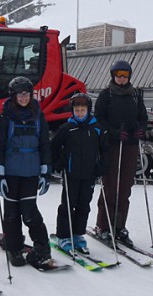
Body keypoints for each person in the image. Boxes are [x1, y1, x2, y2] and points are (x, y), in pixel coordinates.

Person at [0, 76, 54, 268]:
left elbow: (44, 144)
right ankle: (14, 248)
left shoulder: (38, 116)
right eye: (20, 94)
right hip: (11, 172)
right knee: (11, 214)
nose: (24, 97)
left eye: (26, 93)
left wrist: (45, 171)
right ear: (13, 95)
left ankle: (42, 249)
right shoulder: (4, 118)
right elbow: (0, 147)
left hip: (30, 172)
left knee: (30, 213)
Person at [93, 60, 148, 247]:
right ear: (113, 75)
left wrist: (141, 129)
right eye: (119, 75)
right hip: (113, 145)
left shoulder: (135, 95)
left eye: (125, 75)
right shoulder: (106, 95)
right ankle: (103, 226)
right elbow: (98, 119)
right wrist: (112, 132)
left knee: (125, 188)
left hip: (130, 145)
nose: (122, 78)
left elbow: (143, 118)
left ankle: (119, 227)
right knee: (110, 187)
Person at [51, 93, 109, 253]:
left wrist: (102, 167)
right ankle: (63, 236)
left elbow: (105, 150)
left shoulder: (97, 128)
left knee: (84, 206)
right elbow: (53, 147)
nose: (80, 113)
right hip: (71, 174)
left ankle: (77, 234)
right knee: (68, 206)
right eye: (77, 110)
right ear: (72, 111)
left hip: (89, 174)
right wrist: (57, 163)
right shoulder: (67, 128)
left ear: (88, 110)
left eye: (83, 110)